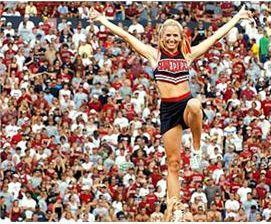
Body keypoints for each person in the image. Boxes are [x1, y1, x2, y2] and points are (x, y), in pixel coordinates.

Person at [89, 6, 251, 221]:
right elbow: (126, 36)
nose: (172, 39)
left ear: (181, 36)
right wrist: (101, 19)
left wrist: (237, 18)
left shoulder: (187, 55)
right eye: (168, 35)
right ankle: (174, 209)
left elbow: (214, 38)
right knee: (173, 163)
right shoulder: (153, 55)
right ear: (161, 37)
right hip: (167, 110)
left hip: (184, 105)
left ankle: (196, 147)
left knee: (195, 104)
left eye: (176, 35)